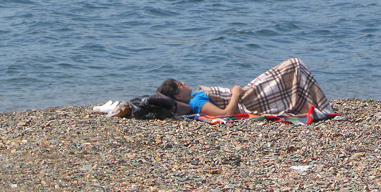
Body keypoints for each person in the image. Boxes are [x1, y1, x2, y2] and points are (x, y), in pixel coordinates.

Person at [101, 57, 333, 119]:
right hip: (246, 97)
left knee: (293, 68)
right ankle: (322, 107)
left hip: (246, 93)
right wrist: (235, 94)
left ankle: (317, 104)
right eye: (179, 85)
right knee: (293, 65)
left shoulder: (196, 98)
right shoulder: (196, 102)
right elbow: (226, 114)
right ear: (178, 95)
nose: (183, 83)